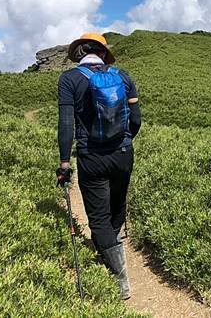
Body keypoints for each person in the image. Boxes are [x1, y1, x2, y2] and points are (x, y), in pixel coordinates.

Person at [55, 32, 141, 300]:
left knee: (98, 217)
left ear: (79, 54)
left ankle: (119, 278)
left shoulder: (69, 80)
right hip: (123, 153)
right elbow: (135, 120)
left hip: (91, 156)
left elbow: (66, 124)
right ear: (103, 53)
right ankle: (110, 248)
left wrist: (64, 163)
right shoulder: (123, 77)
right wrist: (124, 142)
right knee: (117, 204)